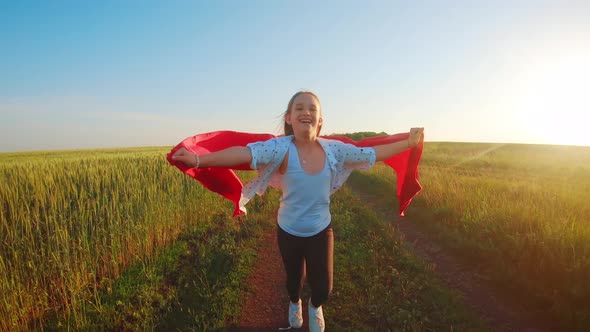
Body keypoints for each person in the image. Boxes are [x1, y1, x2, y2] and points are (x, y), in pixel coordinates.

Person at [171, 90, 424, 332]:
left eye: (312, 108)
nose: (306, 112)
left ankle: (315, 307)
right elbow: (242, 153)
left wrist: (409, 142)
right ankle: (295, 303)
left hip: (320, 230)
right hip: (288, 231)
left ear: (320, 119)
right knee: (294, 280)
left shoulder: (334, 149)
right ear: (289, 118)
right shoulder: (279, 148)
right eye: (299, 107)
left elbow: (372, 153)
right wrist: (197, 160)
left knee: (323, 288)